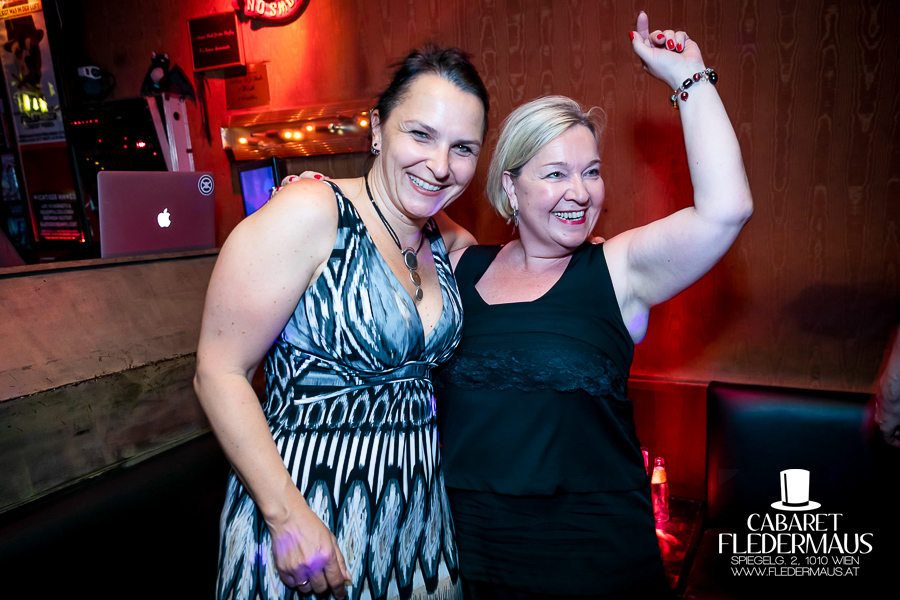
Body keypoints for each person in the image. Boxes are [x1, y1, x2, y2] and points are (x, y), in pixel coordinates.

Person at [435, 12, 753, 599]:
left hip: (596, 571)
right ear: (510, 188)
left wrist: (689, 78)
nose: (580, 193)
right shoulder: (459, 265)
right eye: (555, 174)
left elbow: (725, 210)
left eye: (592, 173)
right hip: (473, 568)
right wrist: (319, 188)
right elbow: (400, 199)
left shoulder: (618, 269)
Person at [193, 45, 488, 600]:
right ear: (377, 128)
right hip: (308, 524)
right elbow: (218, 371)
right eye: (420, 134)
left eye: (463, 148)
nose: (440, 164)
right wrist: (285, 517)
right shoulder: (311, 212)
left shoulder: (448, 243)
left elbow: (518, 274)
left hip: (417, 531)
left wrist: (575, 253)